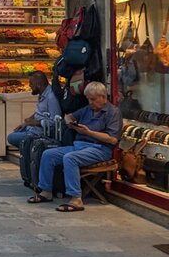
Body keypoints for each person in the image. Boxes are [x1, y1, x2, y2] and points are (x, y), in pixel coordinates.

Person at [28, 81, 122, 211]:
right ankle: (46, 191)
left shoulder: (113, 112)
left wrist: (89, 132)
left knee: (70, 158)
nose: (90, 102)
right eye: (88, 99)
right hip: (79, 146)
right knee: (48, 154)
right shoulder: (88, 109)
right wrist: (71, 123)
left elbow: (112, 139)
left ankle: (76, 199)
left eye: (93, 99)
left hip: (99, 148)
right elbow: (69, 116)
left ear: (103, 97)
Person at [7, 71, 61, 149]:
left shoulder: (51, 97)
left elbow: (54, 122)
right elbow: (39, 112)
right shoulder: (43, 93)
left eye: (31, 84)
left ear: (38, 85)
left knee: (12, 137)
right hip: (33, 129)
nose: (29, 86)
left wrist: (35, 122)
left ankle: (34, 149)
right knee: (15, 133)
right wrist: (27, 121)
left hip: (41, 133)